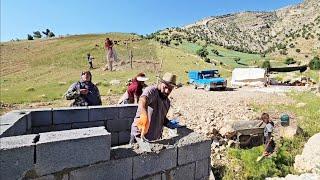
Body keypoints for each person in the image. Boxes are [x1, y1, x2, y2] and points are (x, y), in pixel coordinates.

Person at [130, 72, 177, 142]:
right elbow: (143, 100)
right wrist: (144, 115)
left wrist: (168, 123)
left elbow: (161, 118)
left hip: (154, 139)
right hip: (139, 135)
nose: (167, 91)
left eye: (170, 89)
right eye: (165, 87)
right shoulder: (152, 91)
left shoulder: (167, 102)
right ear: (161, 83)